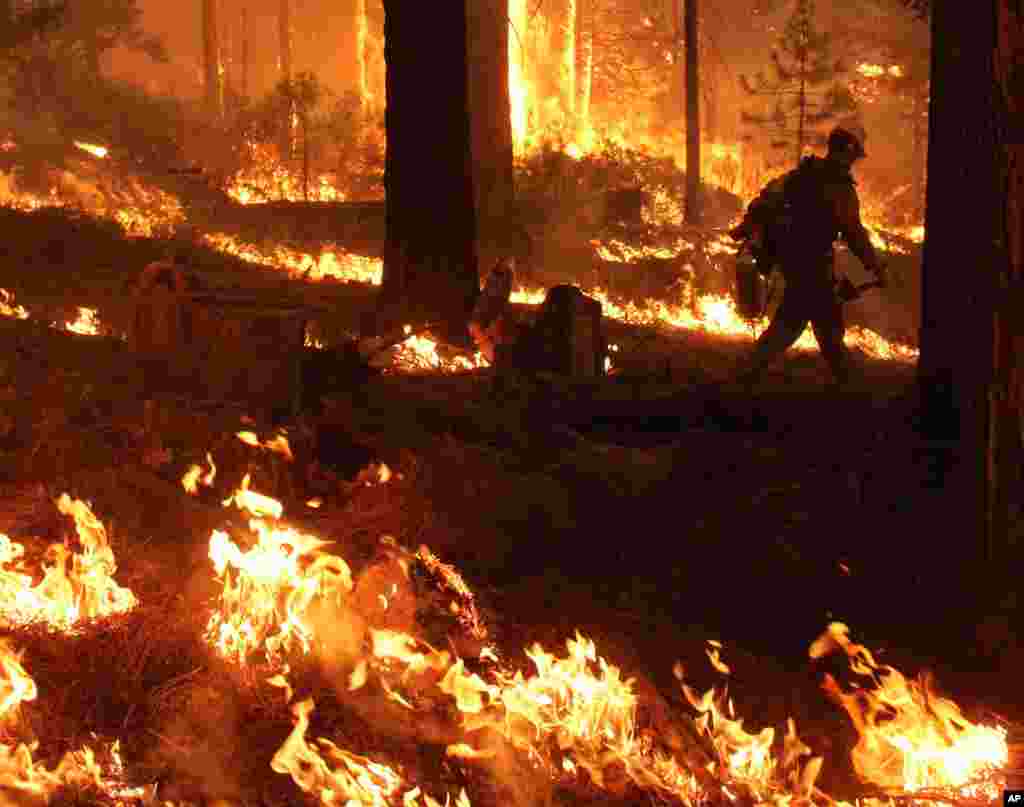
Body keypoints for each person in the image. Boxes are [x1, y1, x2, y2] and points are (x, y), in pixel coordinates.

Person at [728, 124, 887, 387]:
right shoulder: (839, 187)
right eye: (853, 156)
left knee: (812, 326)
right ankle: (745, 375)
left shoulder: (800, 175)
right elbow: (853, 233)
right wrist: (875, 267)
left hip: (795, 264)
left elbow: (765, 201)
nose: (853, 163)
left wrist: (747, 230)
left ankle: (747, 373)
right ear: (846, 153)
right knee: (802, 328)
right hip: (814, 269)